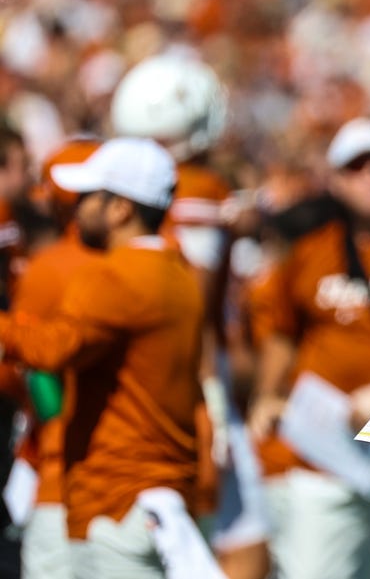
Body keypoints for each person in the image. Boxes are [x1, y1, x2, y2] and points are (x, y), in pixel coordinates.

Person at [0, 137, 223, 578]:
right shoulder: (179, 273)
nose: (76, 207)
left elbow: (50, 349)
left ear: (120, 208)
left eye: (88, 197)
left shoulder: (113, 275)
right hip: (156, 495)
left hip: (115, 497)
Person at [246, 117, 370, 579]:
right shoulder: (307, 253)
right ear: (333, 179)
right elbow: (282, 331)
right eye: (356, 167)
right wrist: (267, 395)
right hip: (324, 457)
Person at [111, 51, 270, 578]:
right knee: (237, 532)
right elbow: (196, 307)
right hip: (196, 378)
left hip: (141, 380)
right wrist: (216, 400)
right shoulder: (199, 189)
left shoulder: (123, 185)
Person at [9, 137, 101, 579]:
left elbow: (35, 376)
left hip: (64, 470)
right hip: (146, 479)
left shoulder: (52, 267)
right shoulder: (167, 259)